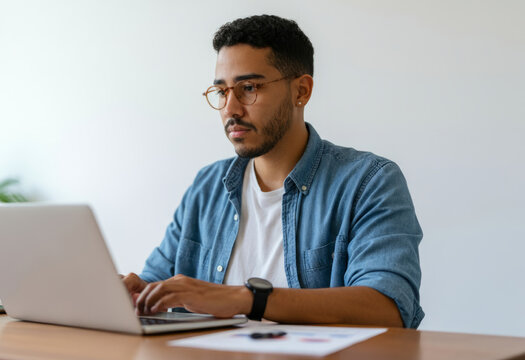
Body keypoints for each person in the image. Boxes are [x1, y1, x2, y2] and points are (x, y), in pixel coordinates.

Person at [122, 14, 424, 328]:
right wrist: (132, 293)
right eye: (222, 92)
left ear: (301, 91)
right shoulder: (208, 185)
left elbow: (388, 306)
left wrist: (246, 298)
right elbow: (156, 287)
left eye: (249, 88)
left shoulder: (370, 181)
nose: (231, 109)